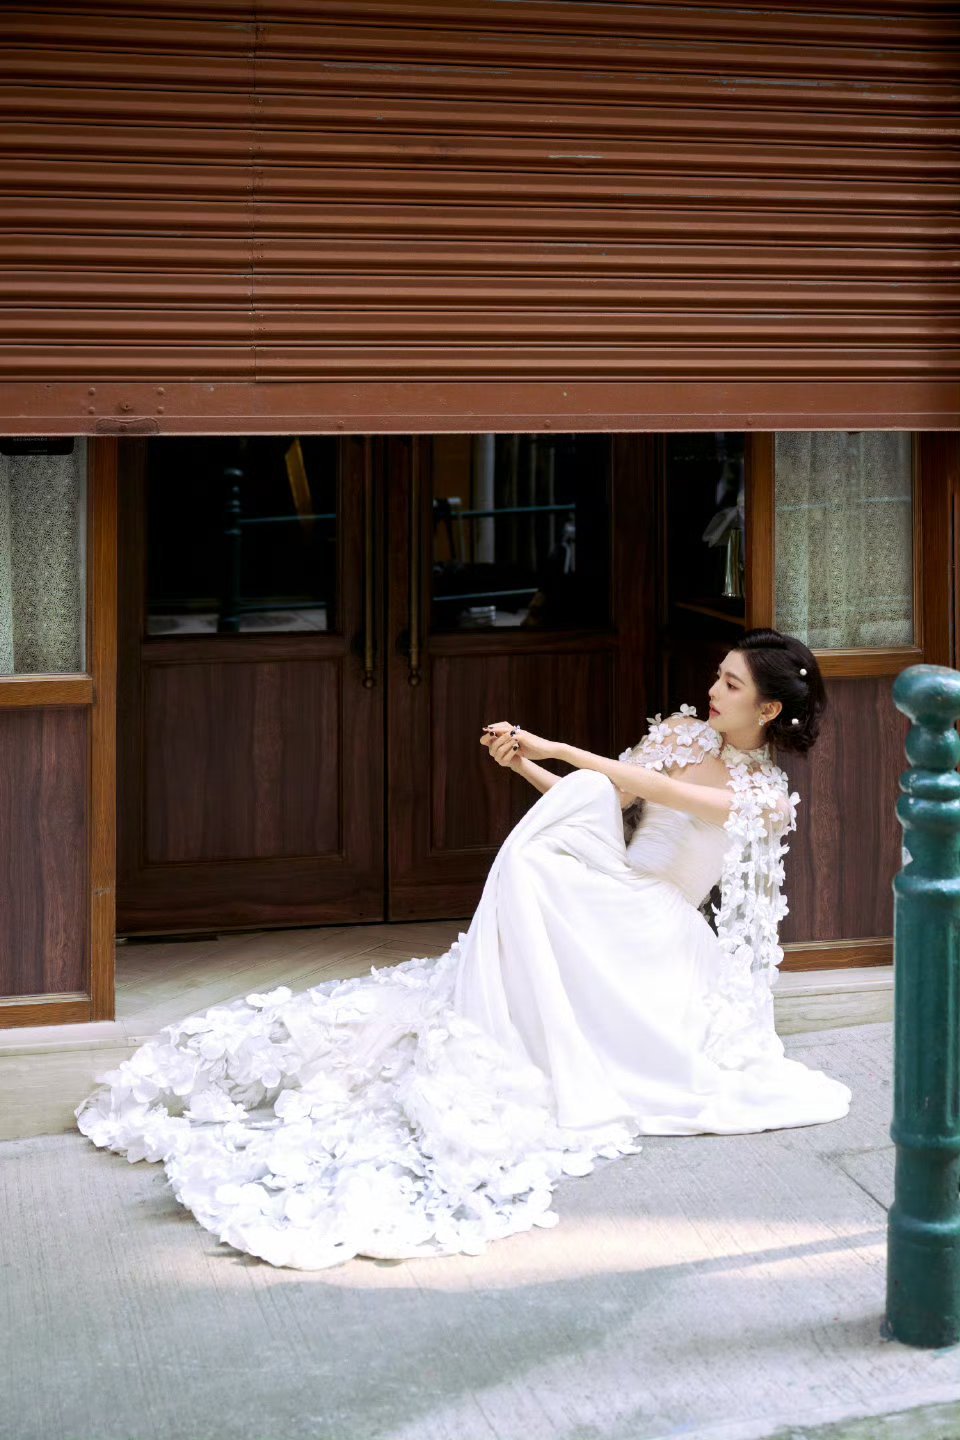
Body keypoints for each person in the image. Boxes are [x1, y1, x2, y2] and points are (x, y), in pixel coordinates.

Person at [76, 627, 852, 1270]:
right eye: (716, 676)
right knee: (561, 832)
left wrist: (557, 745)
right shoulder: (681, 737)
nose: (712, 691)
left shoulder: (764, 797)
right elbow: (596, 809)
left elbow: (660, 795)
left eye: (730, 685)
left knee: (569, 827)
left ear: (768, 708)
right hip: (610, 887)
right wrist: (528, 765)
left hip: (655, 929)